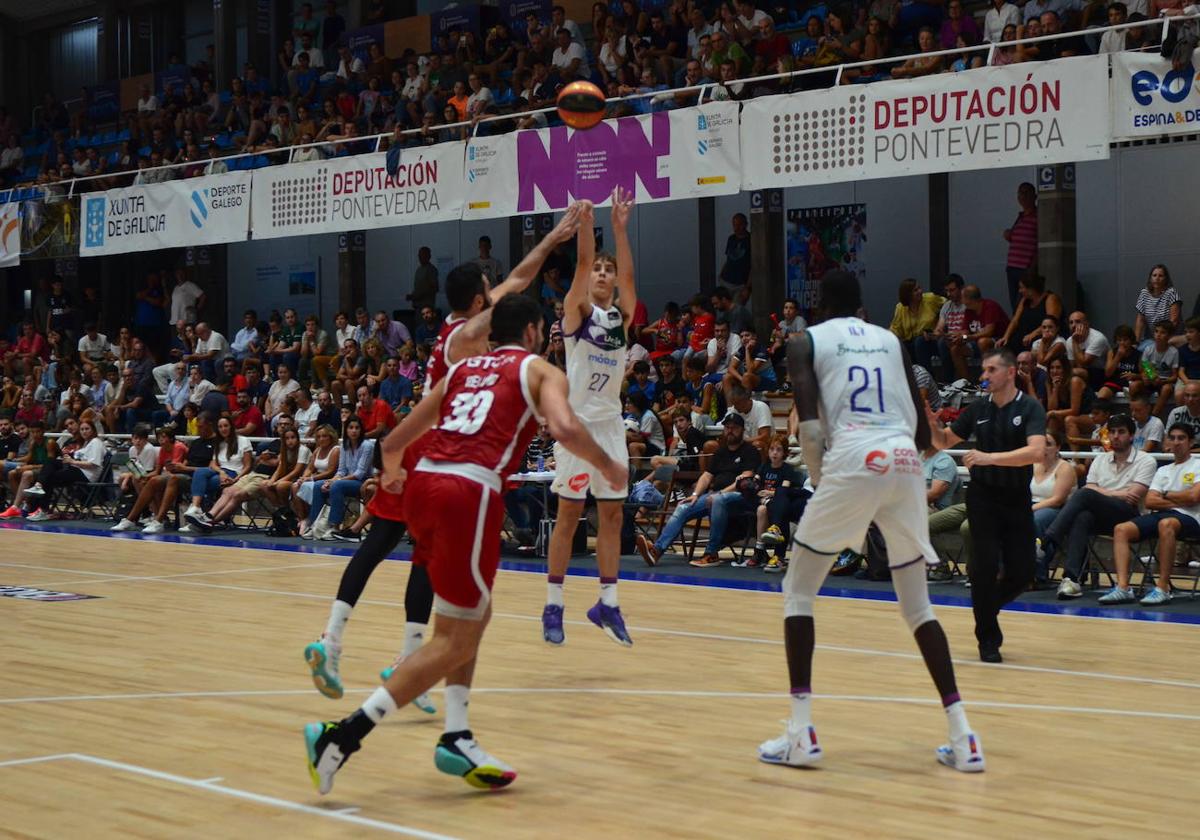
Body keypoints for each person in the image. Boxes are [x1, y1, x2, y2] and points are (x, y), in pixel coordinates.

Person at [303, 293, 626, 795]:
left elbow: (392, 444)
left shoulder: (462, 368)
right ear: (537, 331)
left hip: (423, 486)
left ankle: (456, 735)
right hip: (468, 492)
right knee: (455, 638)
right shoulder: (542, 371)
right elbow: (564, 428)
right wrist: (607, 465)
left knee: (474, 613)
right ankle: (342, 735)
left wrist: (390, 479)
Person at [302, 205, 586, 709]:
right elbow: (518, 282)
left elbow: (519, 277)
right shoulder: (465, 334)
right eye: (487, 284)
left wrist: (553, 240)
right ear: (479, 299)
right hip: (432, 447)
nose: (495, 287)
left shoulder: (466, 325)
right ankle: (331, 641)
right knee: (385, 541)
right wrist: (551, 243)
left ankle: (407, 657)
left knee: (426, 559)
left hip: (440, 446)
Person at [756, 269, 983, 773]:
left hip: (854, 456)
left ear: (819, 308)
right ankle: (964, 735)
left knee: (798, 591)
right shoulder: (890, 339)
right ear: (862, 308)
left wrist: (826, 482)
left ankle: (801, 733)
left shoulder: (804, 341)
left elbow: (811, 427)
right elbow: (925, 429)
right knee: (918, 607)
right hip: (904, 459)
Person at [542, 190, 637, 647]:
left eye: (608, 270)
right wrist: (585, 224)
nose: (601, 273)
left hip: (611, 424)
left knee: (613, 516)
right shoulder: (577, 314)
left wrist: (619, 229)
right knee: (570, 513)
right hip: (578, 426)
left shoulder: (622, 315)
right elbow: (580, 268)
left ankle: (609, 602)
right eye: (598, 268)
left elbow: (631, 278)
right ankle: (554, 602)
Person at [927, 348, 1047, 663]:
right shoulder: (978, 407)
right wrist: (928, 422)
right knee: (984, 567)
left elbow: (1036, 452)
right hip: (982, 497)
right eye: (983, 370)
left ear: (1009, 373)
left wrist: (989, 458)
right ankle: (988, 639)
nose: (984, 375)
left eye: (991, 369)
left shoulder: (1030, 408)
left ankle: (985, 606)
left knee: (1023, 572)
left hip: (1017, 497)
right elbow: (943, 441)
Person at [1039, 413, 1156, 600]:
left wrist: (1098, 492)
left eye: (1121, 432)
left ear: (1132, 435)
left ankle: (1047, 541)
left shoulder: (1146, 460)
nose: (1116, 436)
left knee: (1084, 496)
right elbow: (1092, 487)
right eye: (1112, 432)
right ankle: (1071, 579)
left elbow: (1133, 495)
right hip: (1101, 516)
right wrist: (1112, 492)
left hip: (1131, 517)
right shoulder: (1100, 459)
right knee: (1082, 516)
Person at [1101, 422, 1200, 606]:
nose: (1176, 442)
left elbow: (1194, 496)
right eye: (1172, 438)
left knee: (1166, 524)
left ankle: (1163, 588)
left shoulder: (1198, 465)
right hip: (1162, 515)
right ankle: (1123, 587)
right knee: (1121, 529)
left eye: (1181, 438)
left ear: (1191, 442)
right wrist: (1180, 497)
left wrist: (1166, 494)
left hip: (1191, 518)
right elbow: (1150, 501)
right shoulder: (1163, 470)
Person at [1002, 182, 1037, 311]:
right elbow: (1018, 237)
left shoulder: (1038, 215)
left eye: (1026, 193)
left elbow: (1040, 243)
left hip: (1025, 268)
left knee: (1023, 303)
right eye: (1020, 193)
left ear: (1034, 196)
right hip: (1012, 267)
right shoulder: (1020, 217)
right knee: (1014, 303)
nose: (1023, 196)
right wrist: (1008, 234)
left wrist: (1032, 267)